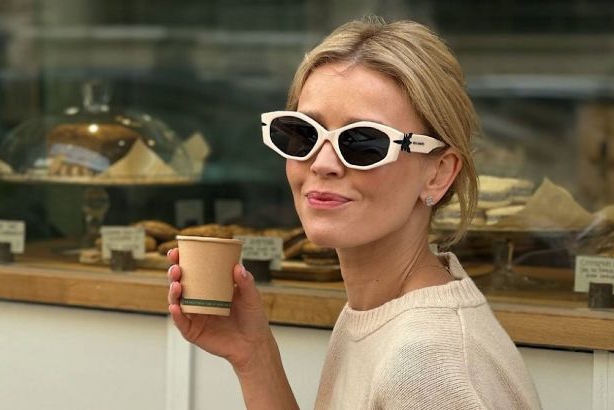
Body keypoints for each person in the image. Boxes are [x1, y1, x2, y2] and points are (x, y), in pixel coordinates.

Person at [167, 17, 541, 409]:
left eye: (364, 143)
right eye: (304, 134)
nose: (322, 163)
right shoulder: (383, 310)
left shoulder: (426, 362)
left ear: (438, 173)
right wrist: (254, 355)